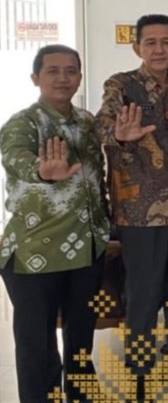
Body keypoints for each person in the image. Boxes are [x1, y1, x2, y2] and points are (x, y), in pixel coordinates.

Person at [95, 14, 168, 388]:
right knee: (143, 289)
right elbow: (102, 125)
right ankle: (140, 362)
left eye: (166, 42)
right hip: (139, 208)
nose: (159, 49)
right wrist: (120, 134)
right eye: (151, 42)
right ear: (137, 48)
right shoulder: (121, 85)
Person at [0, 44, 110, 402]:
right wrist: (42, 172)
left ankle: (81, 395)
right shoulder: (23, 123)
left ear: (80, 76)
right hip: (35, 252)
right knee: (37, 345)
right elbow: (14, 156)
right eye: (53, 71)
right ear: (36, 78)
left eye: (71, 70)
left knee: (81, 337)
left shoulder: (87, 122)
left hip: (87, 248)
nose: (63, 78)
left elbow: (98, 179)